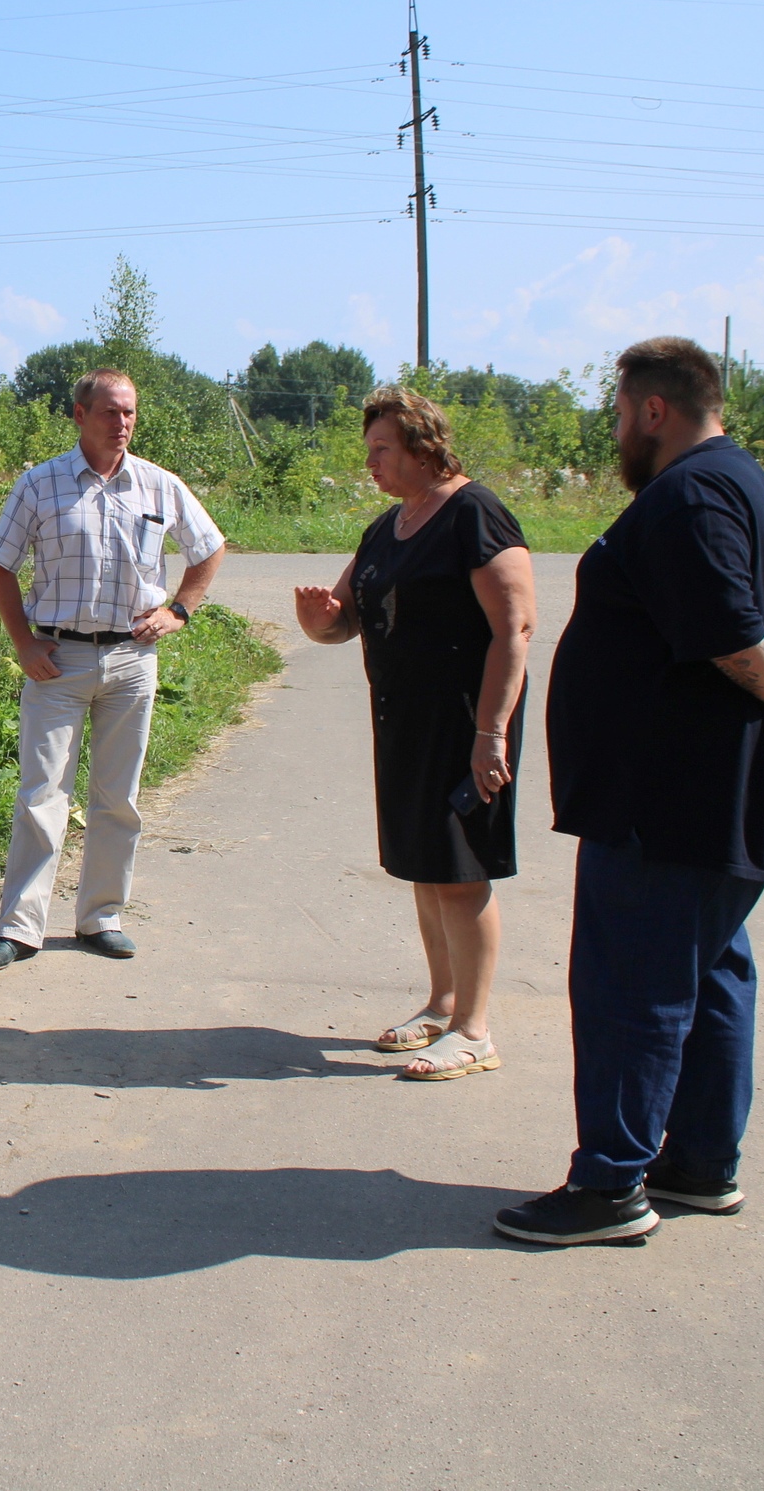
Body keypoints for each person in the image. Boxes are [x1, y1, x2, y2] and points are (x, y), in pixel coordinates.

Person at [495, 337, 764, 1246]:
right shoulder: (741, 482)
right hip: (713, 797)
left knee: (633, 988)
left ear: (652, 410)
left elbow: (728, 622)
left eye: (617, 414)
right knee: (709, 971)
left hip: (672, 800)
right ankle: (698, 1163)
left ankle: (610, 1186)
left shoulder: (687, 494)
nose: (615, 433)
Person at [293, 387, 534, 1081]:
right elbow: (343, 620)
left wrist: (491, 731)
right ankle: (442, 1002)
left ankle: (474, 1030)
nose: (371, 462)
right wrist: (316, 619)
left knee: (461, 872)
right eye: (368, 449)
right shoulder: (387, 526)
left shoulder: (474, 514)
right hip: (404, 722)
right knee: (426, 871)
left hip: (463, 720)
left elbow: (514, 626)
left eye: (382, 449)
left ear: (424, 446)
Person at [0, 368, 227, 971]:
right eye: (110, 412)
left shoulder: (159, 487)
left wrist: (180, 611)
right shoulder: (41, 485)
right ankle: (20, 928)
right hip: (57, 660)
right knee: (42, 794)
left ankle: (101, 917)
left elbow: (210, 547)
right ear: (80, 415)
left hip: (133, 659)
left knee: (119, 797)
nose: (122, 424)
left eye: (131, 413)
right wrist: (22, 642)